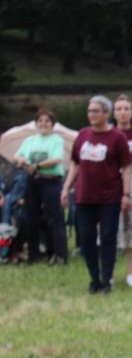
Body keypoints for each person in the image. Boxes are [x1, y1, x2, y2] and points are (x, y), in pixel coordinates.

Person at [61, 96, 131, 294]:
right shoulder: (83, 135)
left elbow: (126, 167)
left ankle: (106, 279)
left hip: (109, 197)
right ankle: (94, 278)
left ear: (106, 114)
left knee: (108, 238)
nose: (91, 114)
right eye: (90, 111)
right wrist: (66, 188)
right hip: (84, 196)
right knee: (85, 238)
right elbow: (75, 163)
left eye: (96, 111)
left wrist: (126, 194)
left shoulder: (117, 137)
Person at [14, 109, 67, 264]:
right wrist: (23, 162)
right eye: (40, 121)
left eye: (47, 121)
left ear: (52, 124)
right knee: (31, 218)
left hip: (51, 181)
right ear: (36, 124)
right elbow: (17, 156)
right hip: (33, 182)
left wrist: (37, 166)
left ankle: (59, 255)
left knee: (54, 218)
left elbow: (56, 159)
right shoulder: (30, 140)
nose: (43, 124)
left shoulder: (56, 140)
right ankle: (34, 254)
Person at [112, 95, 132, 287]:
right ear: (113, 112)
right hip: (109, 181)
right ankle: (110, 272)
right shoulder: (108, 132)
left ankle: (131, 273)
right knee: (110, 228)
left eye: (126, 108)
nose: (123, 112)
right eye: (119, 109)